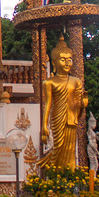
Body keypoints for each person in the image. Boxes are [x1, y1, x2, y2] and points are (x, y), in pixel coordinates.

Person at [37, 35, 84, 171]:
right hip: (57, 118)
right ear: (55, 62)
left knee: (69, 148)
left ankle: (69, 174)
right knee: (57, 146)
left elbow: (78, 106)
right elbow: (48, 104)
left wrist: (82, 104)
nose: (67, 63)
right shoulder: (49, 82)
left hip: (71, 118)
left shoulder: (76, 81)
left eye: (69, 60)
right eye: (63, 60)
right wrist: (44, 125)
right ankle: (56, 175)